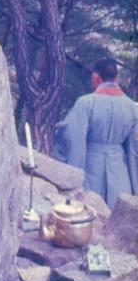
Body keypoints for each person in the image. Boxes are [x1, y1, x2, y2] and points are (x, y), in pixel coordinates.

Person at [55, 57, 138, 208]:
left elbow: (73, 140)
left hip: (91, 170)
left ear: (96, 77)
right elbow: (133, 150)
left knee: (88, 213)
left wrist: (73, 179)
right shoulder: (131, 107)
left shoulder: (86, 102)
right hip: (121, 175)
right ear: (116, 77)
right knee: (118, 215)